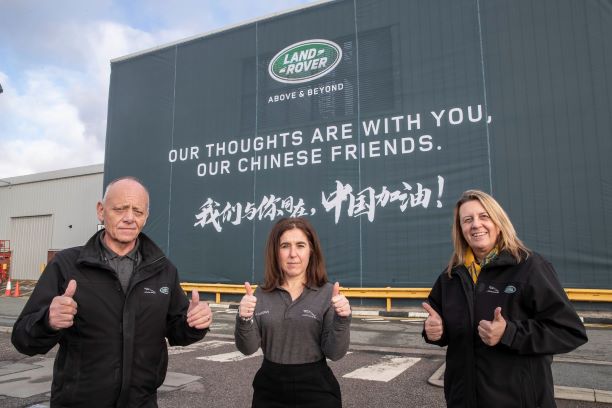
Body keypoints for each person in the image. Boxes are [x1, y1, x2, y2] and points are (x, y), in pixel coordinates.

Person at [12, 177, 213, 407]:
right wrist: (48, 321)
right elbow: (22, 339)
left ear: (146, 216)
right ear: (101, 211)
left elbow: (178, 332)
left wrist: (194, 323)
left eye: (138, 211)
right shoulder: (67, 265)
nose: (129, 218)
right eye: (120, 209)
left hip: (141, 402)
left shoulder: (163, 270)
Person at [422, 189, 588, 408]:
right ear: (460, 230)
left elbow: (570, 331)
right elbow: (438, 323)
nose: (476, 225)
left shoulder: (530, 267)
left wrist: (510, 333)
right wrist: (434, 331)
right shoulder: (451, 276)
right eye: (467, 220)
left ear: (498, 223)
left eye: (484, 216)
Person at [235, 217, 351, 408]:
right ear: (275, 251)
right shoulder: (260, 294)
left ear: (311, 250)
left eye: (300, 245)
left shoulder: (328, 293)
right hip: (269, 391)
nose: (293, 254)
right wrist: (244, 317)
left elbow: (335, 353)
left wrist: (342, 320)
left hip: (317, 390)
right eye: (285, 246)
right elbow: (247, 348)